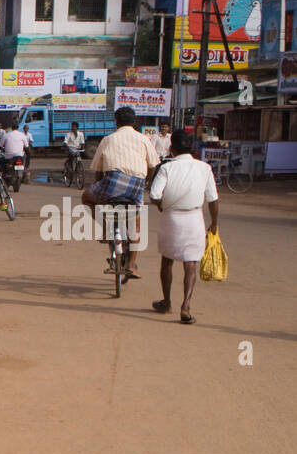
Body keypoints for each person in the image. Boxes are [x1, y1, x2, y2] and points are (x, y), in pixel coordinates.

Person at [148, 129, 218, 325]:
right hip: (195, 217)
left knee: (167, 260)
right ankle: (186, 306)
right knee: (190, 264)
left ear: (172, 149)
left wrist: (162, 206)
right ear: (192, 148)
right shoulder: (204, 168)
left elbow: (154, 195)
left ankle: (167, 301)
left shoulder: (167, 168)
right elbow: (213, 200)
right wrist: (214, 223)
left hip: (172, 218)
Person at [82, 106, 160, 280]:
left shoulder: (108, 139)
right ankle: (131, 266)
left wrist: (99, 187)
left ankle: (105, 229)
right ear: (134, 122)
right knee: (136, 226)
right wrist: (145, 182)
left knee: (86, 197)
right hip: (136, 186)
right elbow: (153, 165)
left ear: (116, 122)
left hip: (111, 184)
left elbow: (98, 169)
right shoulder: (143, 139)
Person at [0, 123, 29, 190]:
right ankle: (26, 168)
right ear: (18, 127)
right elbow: (27, 147)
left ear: (11, 127)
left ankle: (3, 174)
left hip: (9, 157)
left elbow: (0, 146)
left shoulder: (6, 135)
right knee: (26, 158)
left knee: (1, 162)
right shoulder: (22, 135)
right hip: (20, 156)